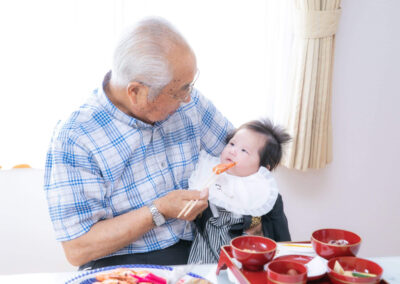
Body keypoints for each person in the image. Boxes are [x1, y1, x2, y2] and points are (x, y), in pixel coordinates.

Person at [44, 17, 233, 270]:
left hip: (198, 249)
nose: (188, 98)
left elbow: (238, 152)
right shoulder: (75, 137)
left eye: (190, 85)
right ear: (136, 92)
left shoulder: (191, 102)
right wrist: (160, 210)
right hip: (121, 263)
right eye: (178, 92)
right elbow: (78, 249)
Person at [186, 119, 291, 264]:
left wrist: (284, 262)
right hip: (207, 255)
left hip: (248, 258)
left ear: (263, 168)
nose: (233, 150)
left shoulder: (264, 195)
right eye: (232, 144)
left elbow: (282, 235)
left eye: (244, 151)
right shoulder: (210, 179)